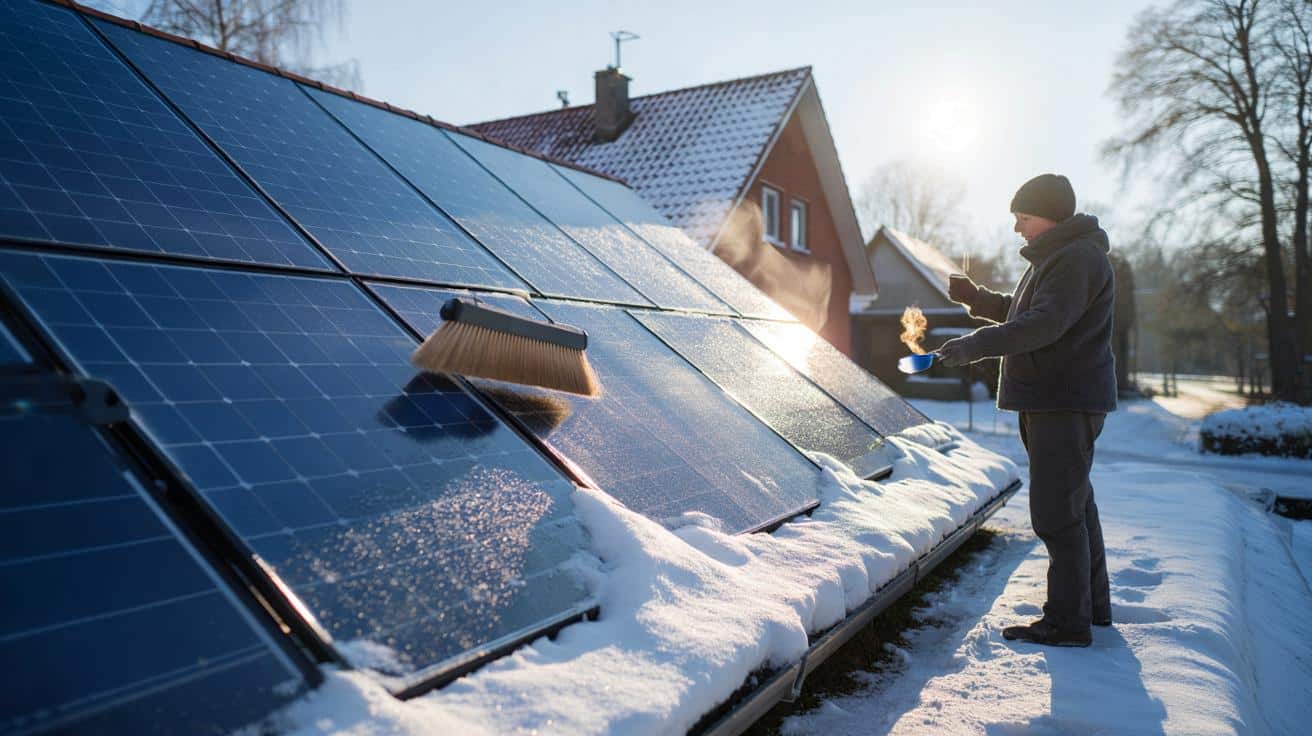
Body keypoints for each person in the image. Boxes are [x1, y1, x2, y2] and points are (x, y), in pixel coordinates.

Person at [936, 173, 1117, 648]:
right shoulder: (1057, 258)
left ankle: (1067, 623)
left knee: (1057, 514)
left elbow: (1044, 324)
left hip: (1062, 400)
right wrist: (977, 299)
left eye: (1024, 217)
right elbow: (1026, 314)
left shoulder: (1076, 258)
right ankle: (1090, 611)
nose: (1018, 227)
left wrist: (975, 345)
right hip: (1055, 399)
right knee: (1076, 508)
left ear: (1052, 214)